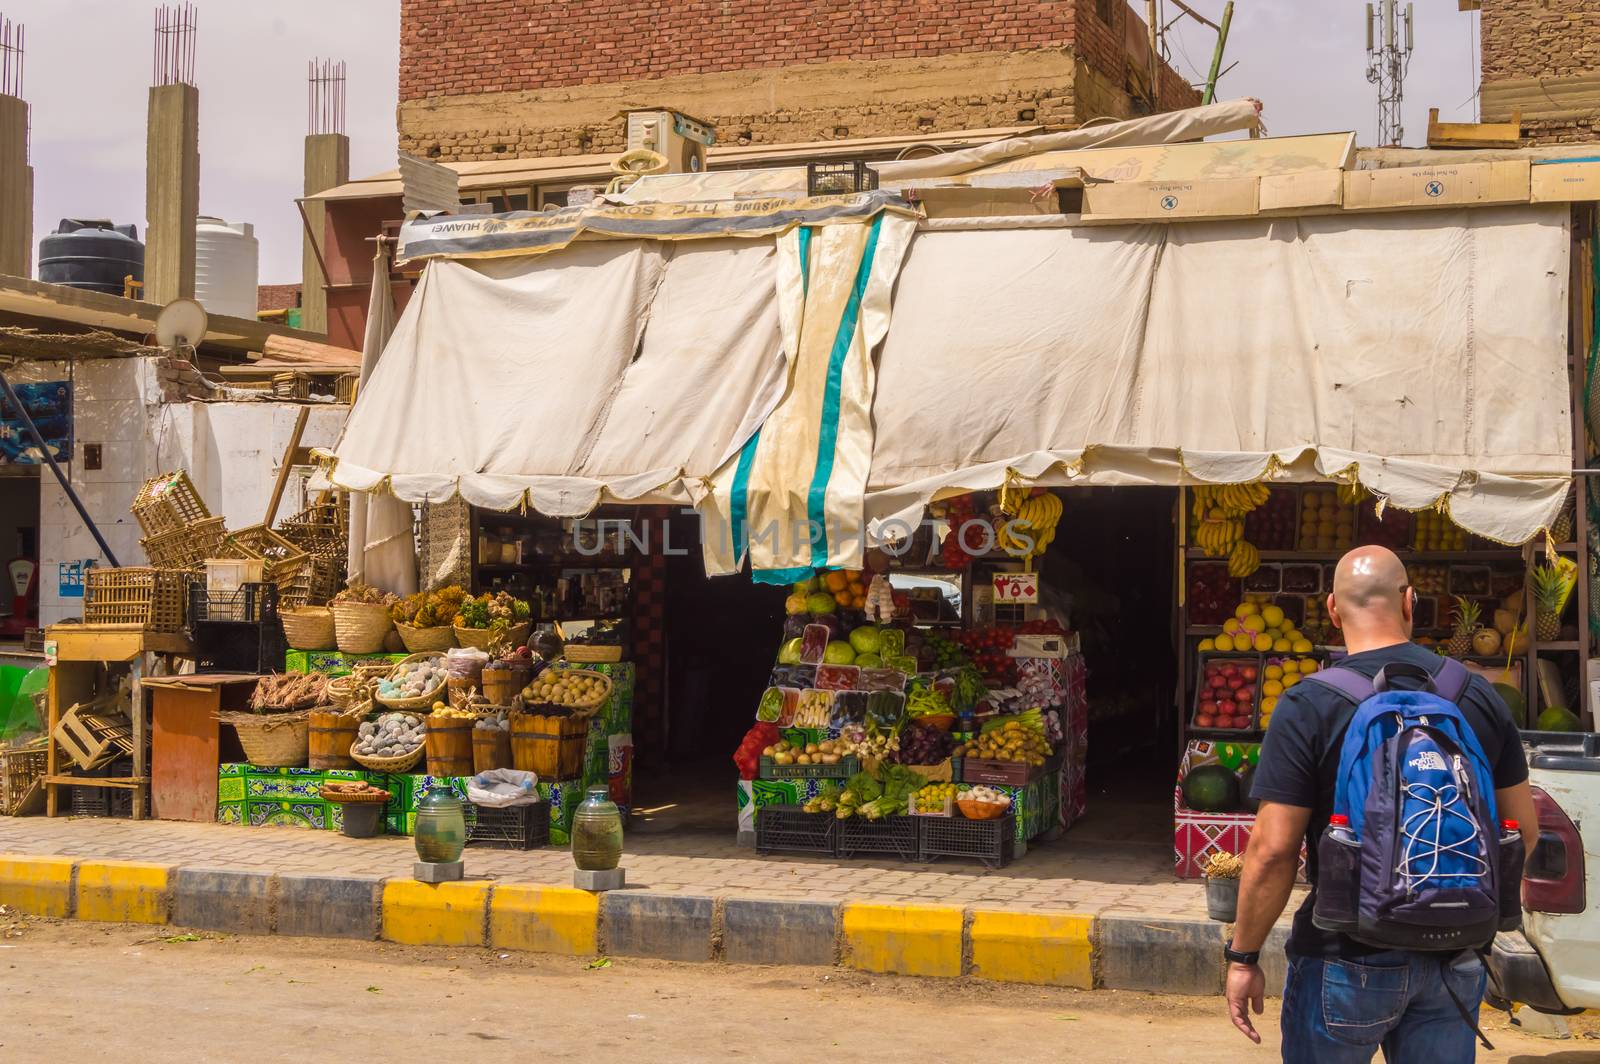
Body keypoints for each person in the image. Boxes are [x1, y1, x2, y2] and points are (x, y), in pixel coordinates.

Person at [1224, 545, 1538, 1062]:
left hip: (1345, 958)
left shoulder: (1307, 703)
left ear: (1331, 609)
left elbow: (1273, 850)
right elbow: (1522, 831)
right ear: (1410, 601)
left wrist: (1243, 956)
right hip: (1456, 956)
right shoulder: (1477, 695)